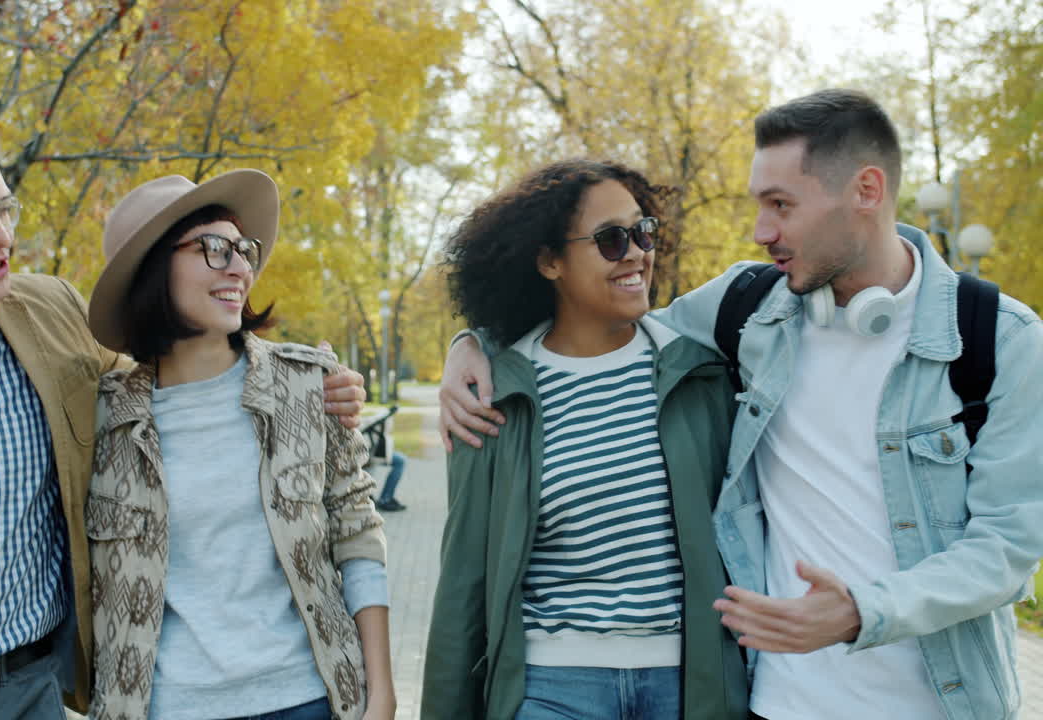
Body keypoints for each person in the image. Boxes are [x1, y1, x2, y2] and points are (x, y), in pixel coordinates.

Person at [439, 89, 1043, 720]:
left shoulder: (998, 339)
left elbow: (1005, 549)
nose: (761, 232)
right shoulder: (748, 309)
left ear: (866, 191)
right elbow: (591, 323)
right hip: (773, 703)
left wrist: (865, 610)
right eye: (759, 204)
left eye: (781, 205)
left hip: (942, 705)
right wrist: (475, 343)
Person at [0, 109, 366, 720]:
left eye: (4, 210)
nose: (1, 236)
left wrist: (315, 383)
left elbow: (178, 371)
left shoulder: (54, 317)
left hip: (29, 695)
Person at [421, 159, 748, 720]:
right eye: (611, 240)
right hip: (553, 688)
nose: (637, 254)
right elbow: (464, 584)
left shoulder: (702, 374)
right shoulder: (495, 396)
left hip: (689, 686)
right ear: (549, 261)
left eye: (643, 232)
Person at [83, 172, 396, 720]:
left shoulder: (308, 386)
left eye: (243, 250)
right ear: (153, 268)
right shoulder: (102, 417)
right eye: (213, 248)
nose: (240, 267)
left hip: (308, 699)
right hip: (165, 708)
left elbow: (357, 533)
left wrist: (382, 692)